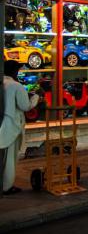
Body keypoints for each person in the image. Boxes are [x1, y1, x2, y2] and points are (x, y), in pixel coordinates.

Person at [1, 60, 39, 195]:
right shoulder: (16, 86)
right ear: (13, 71)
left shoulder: (3, 84)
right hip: (12, 127)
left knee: (3, 158)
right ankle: (7, 187)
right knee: (10, 160)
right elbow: (25, 106)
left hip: (2, 126)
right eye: (18, 69)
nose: (19, 71)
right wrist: (35, 98)